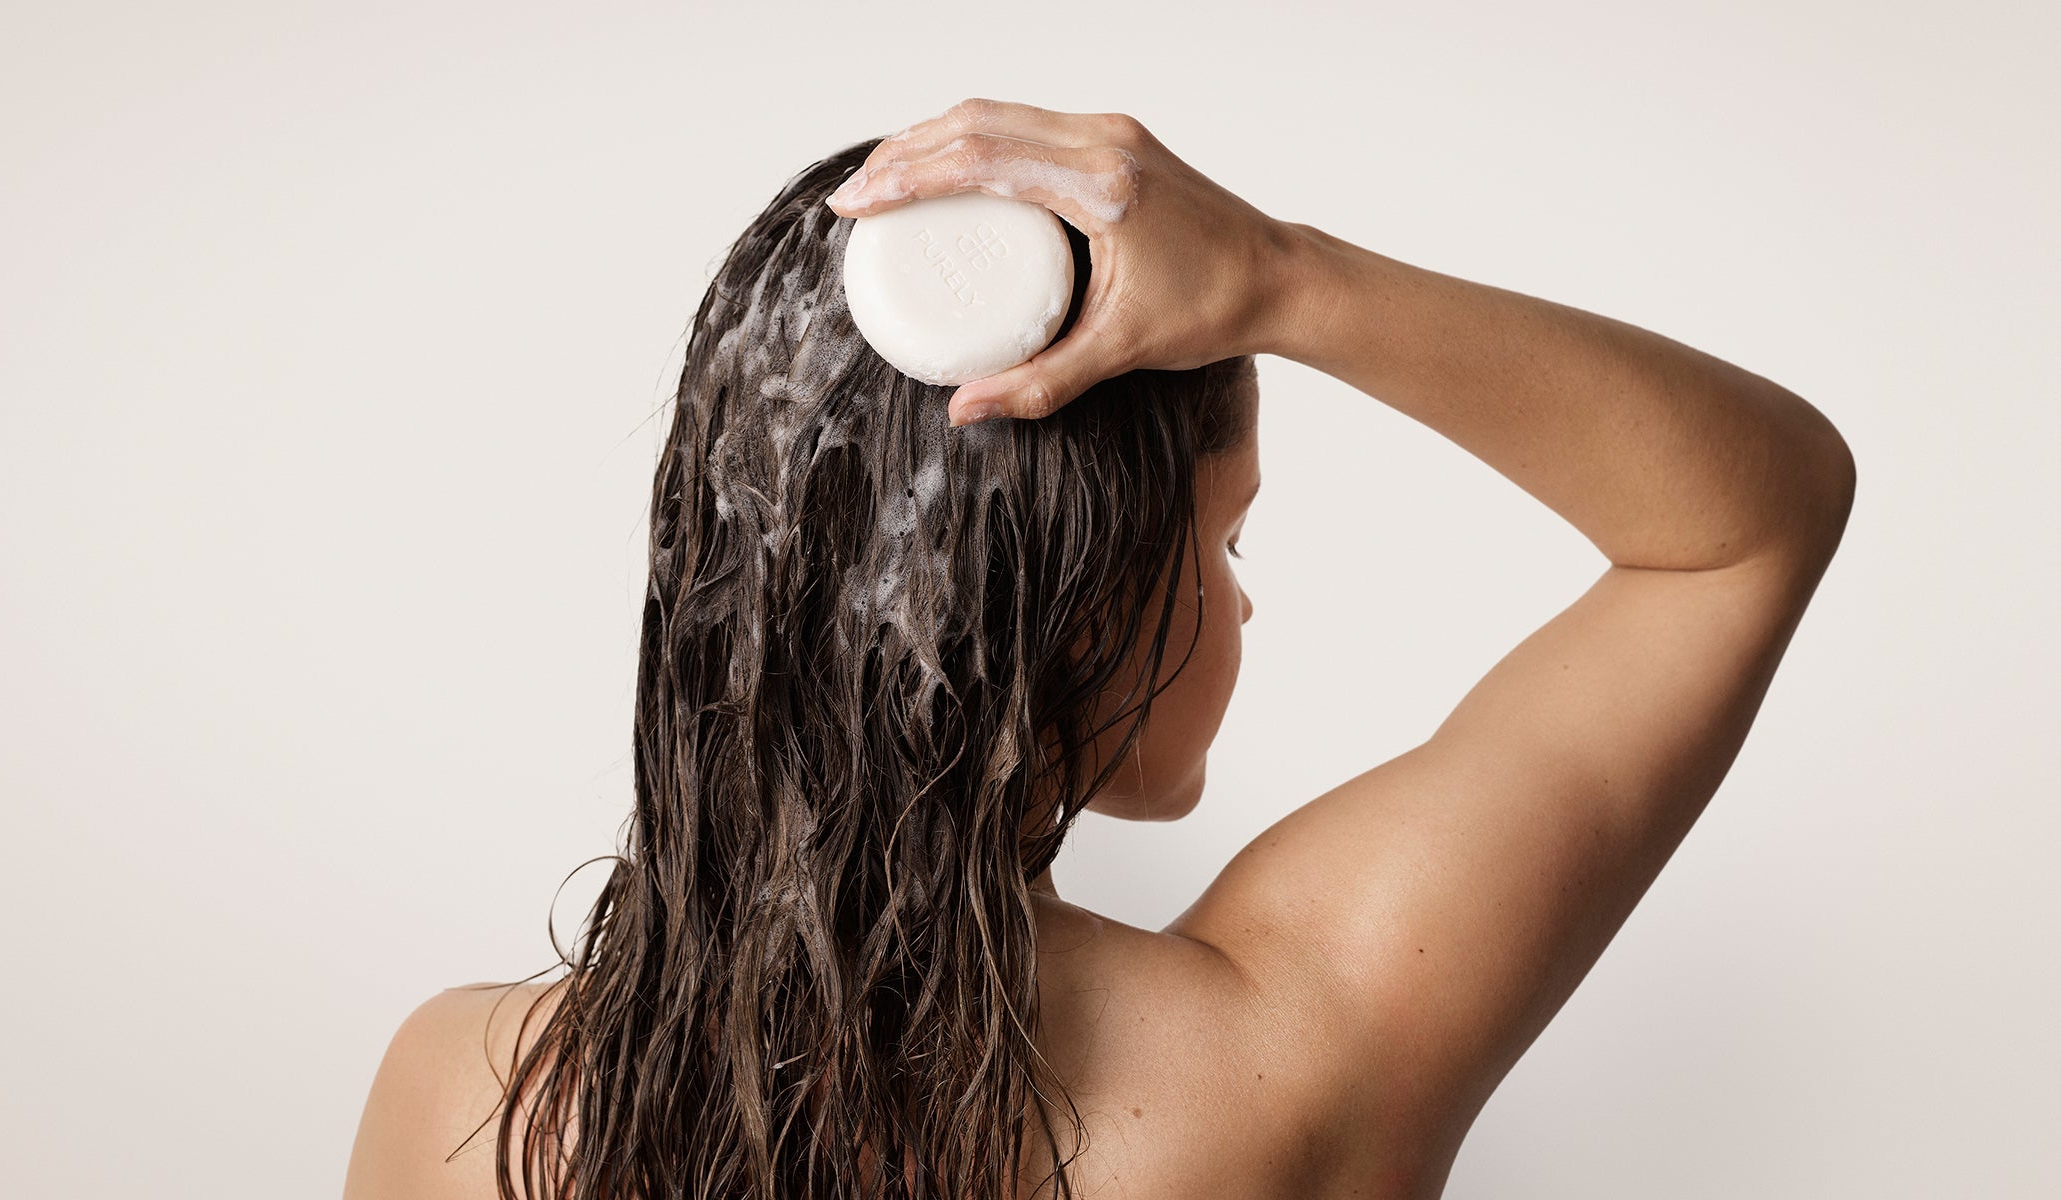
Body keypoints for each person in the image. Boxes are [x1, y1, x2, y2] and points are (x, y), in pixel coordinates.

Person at [343, 98, 1855, 1200]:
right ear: (1081, 608)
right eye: (1225, 541)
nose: (1243, 603)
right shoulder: (1290, 1056)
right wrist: (1281, 275)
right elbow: (1746, 522)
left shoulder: (465, 1105)